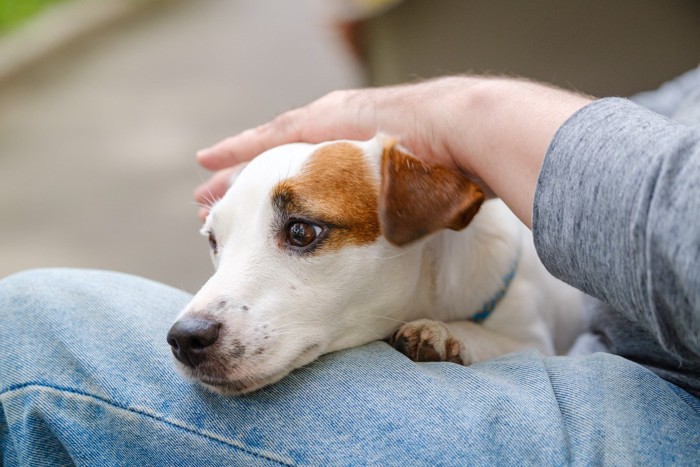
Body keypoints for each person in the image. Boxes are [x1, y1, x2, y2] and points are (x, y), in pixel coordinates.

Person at [2, 70, 699, 465]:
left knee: (24, 332)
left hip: (664, 407)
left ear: (432, 220)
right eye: (219, 242)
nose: (196, 316)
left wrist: (476, 116)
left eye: (301, 233)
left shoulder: (488, 247)